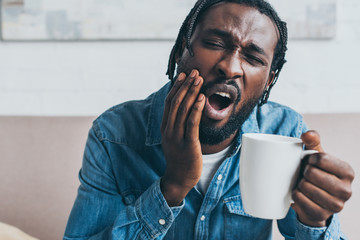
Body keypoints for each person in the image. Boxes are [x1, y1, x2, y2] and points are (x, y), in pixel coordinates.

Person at [64, 0, 354, 239]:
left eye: (253, 59)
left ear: (268, 81)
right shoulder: (113, 135)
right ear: (181, 50)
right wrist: (172, 186)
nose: (230, 67)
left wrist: (316, 223)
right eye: (215, 42)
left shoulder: (285, 131)